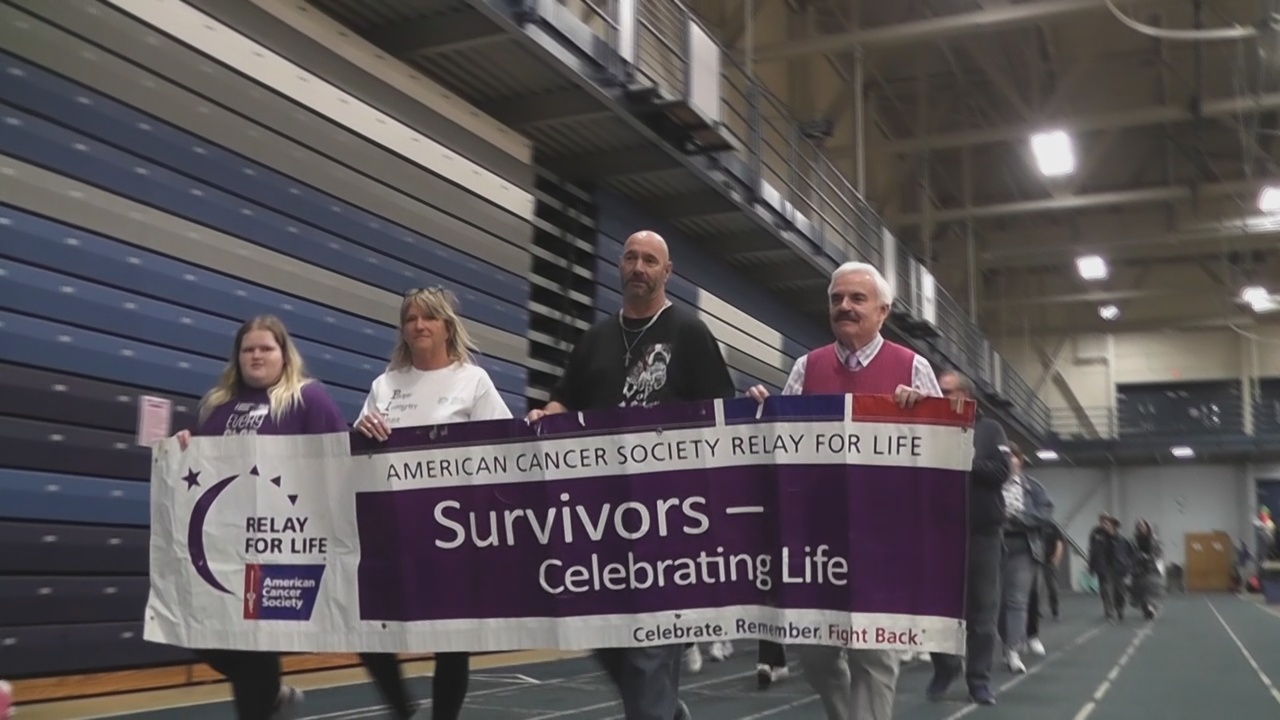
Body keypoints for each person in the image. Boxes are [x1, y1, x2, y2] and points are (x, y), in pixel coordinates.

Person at [525, 230, 736, 720]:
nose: (639, 266)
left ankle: (657, 709)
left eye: (650, 260)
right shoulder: (595, 338)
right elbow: (563, 398)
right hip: (600, 524)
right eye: (631, 257)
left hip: (669, 525)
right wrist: (545, 414)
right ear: (618, 266)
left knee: (648, 652)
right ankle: (666, 710)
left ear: (667, 272)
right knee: (603, 639)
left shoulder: (690, 333)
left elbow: (723, 415)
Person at [175, 315, 416, 720]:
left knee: (359, 627)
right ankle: (270, 696)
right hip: (238, 549)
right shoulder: (217, 407)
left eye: (266, 348)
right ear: (237, 357)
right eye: (248, 349)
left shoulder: (308, 398)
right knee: (219, 638)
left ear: (284, 355)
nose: (256, 355)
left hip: (301, 541)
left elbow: (339, 458)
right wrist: (185, 444)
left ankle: (403, 709)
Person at [745, 261, 947, 720]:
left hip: (885, 541)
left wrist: (922, 416)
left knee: (873, 658)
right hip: (818, 541)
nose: (844, 307)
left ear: (883, 310)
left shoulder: (914, 368)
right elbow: (780, 448)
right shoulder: (806, 366)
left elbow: (943, 458)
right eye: (837, 299)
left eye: (857, 299)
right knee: (815, 655)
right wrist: (761, 419)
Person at [355, 287, 514, 720]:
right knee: (367, 630)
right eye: (411, 319)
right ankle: (402, 709)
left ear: (447, 326)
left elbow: (505, 447)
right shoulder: (383, 386)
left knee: (451, 639)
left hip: (452, 534)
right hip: (392, 532)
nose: (419, 326)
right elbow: (355, 458)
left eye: (429, 318)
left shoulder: (472, 380)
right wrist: (362, 430)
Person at [925, 370, 1011, 706]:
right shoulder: (929, 429)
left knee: (981, 613)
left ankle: (979, 680)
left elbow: (1001, 472)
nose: (941, 398)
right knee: (938, 612)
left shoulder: (990, 430)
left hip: (983, 534)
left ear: (965, 395)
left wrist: (965, 462)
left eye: (947, 392)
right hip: (938, 534)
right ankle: (945, 668)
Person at [994, 443, 1055, 674]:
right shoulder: (989, 486)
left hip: (1024, 548)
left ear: (1020, 460)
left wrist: (1019, 518)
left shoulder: (1033, 488)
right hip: (994, 548)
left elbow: (1046, 514)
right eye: (1004, 457)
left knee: (1017, 601)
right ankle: (1007, 642)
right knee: (998, 604)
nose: (1009, 461)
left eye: (1012, 457)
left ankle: (1013, 650)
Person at [1088, 514, 1134, 622]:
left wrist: (1128, 565)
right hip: (1104, 568)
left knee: (1120, 592)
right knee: (1106, 590)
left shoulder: (1122, 540)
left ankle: (1120, 609)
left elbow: (1131, 553)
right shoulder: (1098, 539)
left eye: (1107, 524)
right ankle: (1109, 612)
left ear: (1113, 526)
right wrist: (1091, 567)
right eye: (1103, 524)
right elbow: (1093, 553)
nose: (1104, 526)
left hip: (1118, 568)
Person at [1130, 519, 1163, 620]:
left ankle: (1151, 607)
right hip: (1138, 570)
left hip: (1151, 569)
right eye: (1139, 527)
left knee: (1151, 591)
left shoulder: (1154, 540)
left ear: (1147, 527)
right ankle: (1146, 609)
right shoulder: (1134, 541)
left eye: (1143, 526)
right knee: (1140, 593)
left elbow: (1158, 553)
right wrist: (1139, 557)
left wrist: (1149, 557)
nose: (1141, 528)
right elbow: (1131, 554)